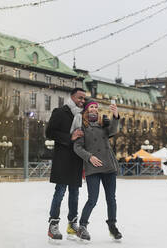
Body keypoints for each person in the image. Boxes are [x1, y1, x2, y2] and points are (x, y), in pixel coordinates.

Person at [73, 99, 122, 241]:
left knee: (111, 199)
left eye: (96, 107)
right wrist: (89, 157)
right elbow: (77, 147)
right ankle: (82, 226)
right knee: (92, 199)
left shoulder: (104, 123)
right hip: (93, 168)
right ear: (87, 110)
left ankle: (112, 226)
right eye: (91, 107)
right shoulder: (82, 126)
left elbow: (113, 131)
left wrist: (115, 115)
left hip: (108, 166)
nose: (94, 109)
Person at [45, 88, 86, 241]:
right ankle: (53, 224)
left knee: (74, 193)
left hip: (76, 159)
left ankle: (72, 224)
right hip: (62, 158)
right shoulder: (60, 112)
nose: (82, 101)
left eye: (84, 99)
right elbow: (49, 133)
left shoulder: (82, 115)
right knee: (60, 191)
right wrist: (70, 136)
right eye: (80, 98)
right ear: (72, 97)